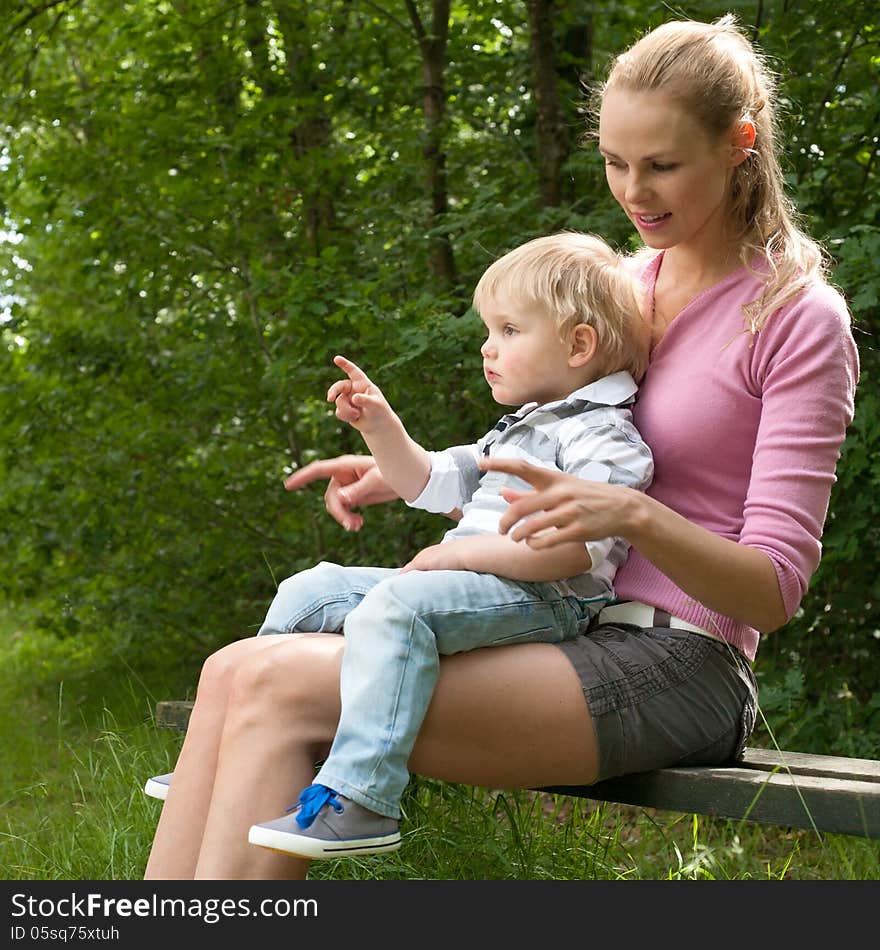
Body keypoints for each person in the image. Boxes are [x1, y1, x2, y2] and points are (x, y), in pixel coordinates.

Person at [143, 15, 859, 880]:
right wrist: (413, 472)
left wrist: (634, 514)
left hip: (680, 661)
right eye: (614, 161)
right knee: (236, 666)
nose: (634, 190)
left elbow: (774, 591)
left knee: (279, 685)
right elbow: (542, 449)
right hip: (556, 625)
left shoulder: (795, 318)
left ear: (740, 143)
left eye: (663, 164)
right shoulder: (614, 290)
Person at [241, 233, 654, 858]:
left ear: (578, 344)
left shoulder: (604, 437)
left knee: (397, 608)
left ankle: (363, 798)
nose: (488, 347)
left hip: (544, 597)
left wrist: (457, 554)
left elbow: (571, 557)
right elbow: (428, 480)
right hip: (473, 583)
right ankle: (257, 749)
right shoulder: (522, 425)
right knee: (310, 589)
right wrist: (381, 427)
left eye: (510, 330)